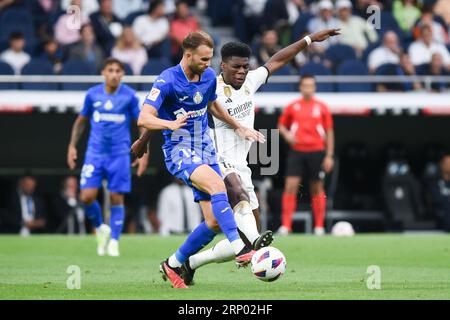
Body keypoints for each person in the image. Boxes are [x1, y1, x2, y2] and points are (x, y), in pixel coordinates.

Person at [178, 28, 340, 286]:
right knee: (242, 210)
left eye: (245, 66)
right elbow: (205, 103)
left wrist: (309, 40)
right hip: (217, 160)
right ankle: (256, 241)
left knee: (238, 243)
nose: (242, 71)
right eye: (236, 67)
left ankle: (191, 263)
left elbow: (277, 60)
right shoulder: (212, 86)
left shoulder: (251, 82)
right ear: (223, 66)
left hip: (241, 166)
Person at [135, 31, 265, 289]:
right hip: (180, 149)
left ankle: (173, 263)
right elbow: (144, 118)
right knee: (219, 187)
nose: (209, 65)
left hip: (205, 147)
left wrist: (237, 125)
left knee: (214, 221)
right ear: (188, 54)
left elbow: (213, 105)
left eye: (210, 59)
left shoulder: (207, 77)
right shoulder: (167, 80)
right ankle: (240, 248)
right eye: (204, 59)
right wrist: (166, 125)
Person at [66, 57, 149, 257]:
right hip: (94, 154)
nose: (113, 74)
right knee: (86, 197)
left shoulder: (129, 96)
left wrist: (144, 152)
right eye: (110, 70)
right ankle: (100, 228)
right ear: (103, 72)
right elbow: (81, 121)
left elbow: (141, 123)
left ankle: (114, 241)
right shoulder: (92, 94)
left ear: (122, 74)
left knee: (116, 197)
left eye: (117, 71)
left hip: (119, 155)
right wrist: (72, 146)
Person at [277, 74, 335, 236]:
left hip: (317, 151)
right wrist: (287, 134)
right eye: (305, 85)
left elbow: (329, 132)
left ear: (314, 87)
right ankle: (286, 226)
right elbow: (281, 125)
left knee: (317, 188)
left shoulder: (322, 107)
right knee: (290, 186)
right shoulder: (293, 106)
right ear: (300, 87)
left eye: (311, 85)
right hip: (297, 151)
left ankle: (318, 226)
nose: (308, 88)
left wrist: (329, 155)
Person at [428, 153, 450, 232]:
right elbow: (435, 199)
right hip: (441, 215)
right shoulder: (434, 181)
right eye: (447, 163)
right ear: (441, 165)